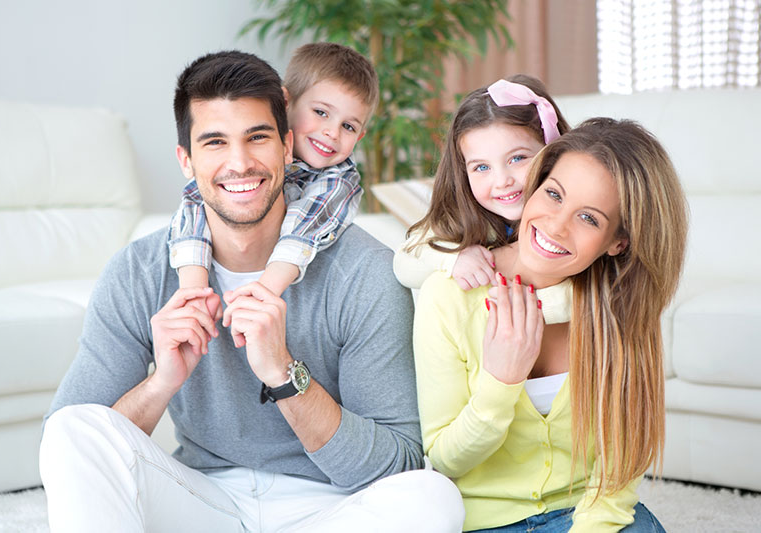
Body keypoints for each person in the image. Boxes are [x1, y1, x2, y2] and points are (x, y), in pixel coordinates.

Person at [39, 50, 464, 533]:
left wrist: (285, 376)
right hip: (202, 499)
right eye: (215, 142)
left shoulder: (365, 272)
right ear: (186, 160)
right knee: (71, 428)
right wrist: (162, 383)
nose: (239, 163)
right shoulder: (138, 272)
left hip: (330, 506)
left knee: (432, 498)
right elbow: (74, 449)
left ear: (286, 146)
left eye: (257, 138)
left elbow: (397, 463)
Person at [414, 118, 687, 531]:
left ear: (619, 241)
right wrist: (501, 383)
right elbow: (445, 460)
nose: (556, 225)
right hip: (483, 521)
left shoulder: (622, 308)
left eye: (589, 218)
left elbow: (618, 472)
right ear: (534, 187)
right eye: (553, 195)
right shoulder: (450, 296)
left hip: (586, 513)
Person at [169, 42, 376, 299]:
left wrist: (264, 292)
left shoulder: (338, 179)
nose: (332, 133)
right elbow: (194, 200)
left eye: (348, 127)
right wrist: (192, 291)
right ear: (286, 102)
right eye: (321, 112)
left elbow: (305, 229)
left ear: (360, 136)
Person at [393, 75, 570, 292]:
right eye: (482, 168)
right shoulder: (465, 218)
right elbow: (403, 265)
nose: (502, 181)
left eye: (517, 158)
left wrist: (535, 304)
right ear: (463, 173)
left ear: (551, 151)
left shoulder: (572, 219)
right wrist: (453, 260)